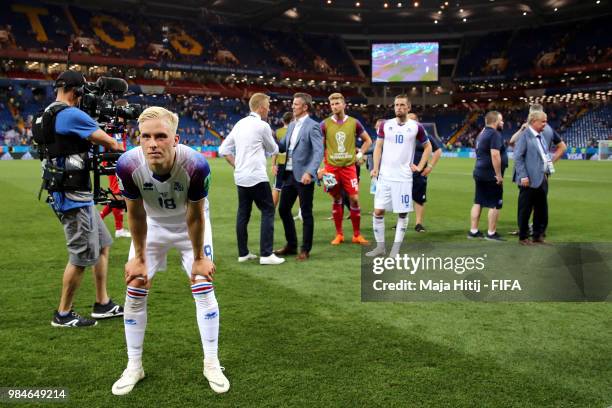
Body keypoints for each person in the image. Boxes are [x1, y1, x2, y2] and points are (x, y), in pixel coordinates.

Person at [112, 107, 229, 395]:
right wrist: (139, 258)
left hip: (189, 226)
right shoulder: (127, 164)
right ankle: (134, 365)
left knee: (203, 285)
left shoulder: (196, 165)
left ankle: (211, 362)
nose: (152, 143)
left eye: (160, 136)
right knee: (135, 287)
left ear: (175, 139)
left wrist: (199, 258)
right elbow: (136, 214)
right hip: (151, 226)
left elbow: (196, 216)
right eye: (146, 136)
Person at [35, 70, 124, 328]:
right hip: (73, 195)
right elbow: (111, 144)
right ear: (77, 91)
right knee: (81, 254)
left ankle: (102, 303)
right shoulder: (71, 114)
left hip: (67, 191)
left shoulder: (46, 114)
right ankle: (63, 314)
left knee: (102, 243)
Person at [219, 93, 284, 265]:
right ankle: (266, 254)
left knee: (243, 214)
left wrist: (237, 164)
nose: (269, 110)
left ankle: (243, 253)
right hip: (256, 175)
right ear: (261, 107)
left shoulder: (240, 124)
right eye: (268, 107)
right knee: (268, 210)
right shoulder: (262, 126)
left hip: (240, 176)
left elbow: (223, 149)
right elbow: (273, 149)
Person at [366, 95, 431, 258]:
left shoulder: (416, 127)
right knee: (378, 211)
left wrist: (421, 166)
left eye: (402, 105)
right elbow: (378, 147)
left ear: (408, 107)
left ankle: (395, 250)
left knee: (402, 213)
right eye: (396, 105)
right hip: (385, 177)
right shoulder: (385, 125)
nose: (399, 107)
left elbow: (428, 147)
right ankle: (380, 247)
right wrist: (375, 167)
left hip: (403, 178)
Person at [274, 93, 324, 261]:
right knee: (283, 209)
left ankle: (305, 249)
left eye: (296, 104)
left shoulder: (313, 126)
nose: (293, 106)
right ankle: (291, 245)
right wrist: (268, 138)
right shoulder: (292, 125)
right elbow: (282, 147)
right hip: (288, 175)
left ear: (305, 107)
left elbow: (318, 151)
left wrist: (310, 172)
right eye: (293, 103)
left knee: (306, 213)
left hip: (304, 176)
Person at [318, 93, 372, 245]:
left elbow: (368, 140)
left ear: (344, 104)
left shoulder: (354, 123)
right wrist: (320, 167)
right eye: (332, 104)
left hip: (349, 168)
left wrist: (360, 154)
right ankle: (339, 234)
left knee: (354, 199)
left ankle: (356, 235)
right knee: (336, 199)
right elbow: (318, 146)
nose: (334, 106)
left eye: (337, 103)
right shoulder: (324, 124)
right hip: (330, 169)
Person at [508, 103, 567, 237]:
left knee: (527, 204)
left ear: (532, 115)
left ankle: (525, 230)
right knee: (540, 203)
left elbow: (512, 144)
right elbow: (563, 147)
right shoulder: (550, 130)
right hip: (543, 172)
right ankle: (538, 230)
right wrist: (550, 163)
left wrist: (521, 129)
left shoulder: (528, 129)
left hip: (528, 172)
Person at [468, 111, 507, 241]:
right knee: (495, 204)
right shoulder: (494, 134)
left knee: (478, 201)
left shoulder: (481, 133)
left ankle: (473, 231)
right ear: (495, 121)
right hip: (490, 174)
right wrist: (499, 175)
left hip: (479, 171)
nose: (502, 122)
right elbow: (495, 155)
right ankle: (491, 233)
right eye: (501, 120)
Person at [407, 113, 442, 233]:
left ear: (417, 123)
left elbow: (438, 151)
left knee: (419, 199)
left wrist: (430, 166)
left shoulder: (425, 136)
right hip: (403, 173)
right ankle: (401, 222)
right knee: (402, 197)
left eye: (412, 120)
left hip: (419, 173)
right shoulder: (403, 136)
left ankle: (418, 223)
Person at [272, 112, 293, 208]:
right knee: (297, 188)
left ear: (283, 120)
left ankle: (271, 212)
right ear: (292, 120)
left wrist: (273, 165)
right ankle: (302, 212)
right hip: (294, 164)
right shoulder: (295, 131)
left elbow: (274, 150)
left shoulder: (277, 132)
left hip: (281, 163)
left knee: (276, 188)